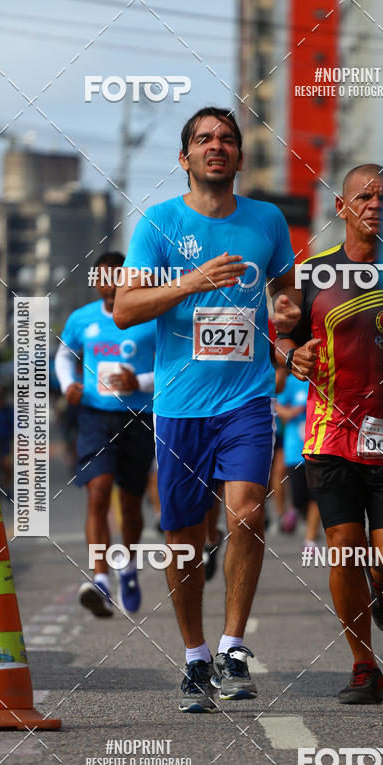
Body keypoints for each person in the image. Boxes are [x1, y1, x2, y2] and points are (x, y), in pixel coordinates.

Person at [114, 106, 297, 712]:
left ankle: (233, 647)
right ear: (186, 157)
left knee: (246, 514)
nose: (216, 147)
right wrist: (191, 283)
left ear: (240, 158)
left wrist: (289, 322)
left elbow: (286, 294)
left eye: (227, 139)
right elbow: (126, 309)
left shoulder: (268, 220)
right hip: (181, 405)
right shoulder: (159, 224)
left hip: (246, 398)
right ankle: (195, 657)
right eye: (203, 139)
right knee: (185, 537)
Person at [274, 164, 383, 704]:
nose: (375, 204)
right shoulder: (312, 276)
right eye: (365, 195)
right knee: (343, 549)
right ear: (341, 206)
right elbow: (278, 340)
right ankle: (364, 666)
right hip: (328, 435)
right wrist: (294, 354)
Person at [55, 252, 156, 617]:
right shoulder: (82, 319)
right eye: (102, 277)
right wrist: (69, 384)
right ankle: (100, 578)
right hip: (96, 416)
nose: (109, 283)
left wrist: (140, 381)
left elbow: (175, 366)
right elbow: (64, 356)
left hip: (138, 418)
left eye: (117, 276)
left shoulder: (150, 316)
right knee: (98, 492)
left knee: (130, 505)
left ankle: (127, 568)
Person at [275, 373, 321, 552]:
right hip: (295, 449)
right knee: (299, 497)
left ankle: (309, 540)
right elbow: (276, 404)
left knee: (316, 493)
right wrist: (290, 412)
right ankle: (296, 511)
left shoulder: (323, 379)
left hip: (319, 447)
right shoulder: (292, 382)